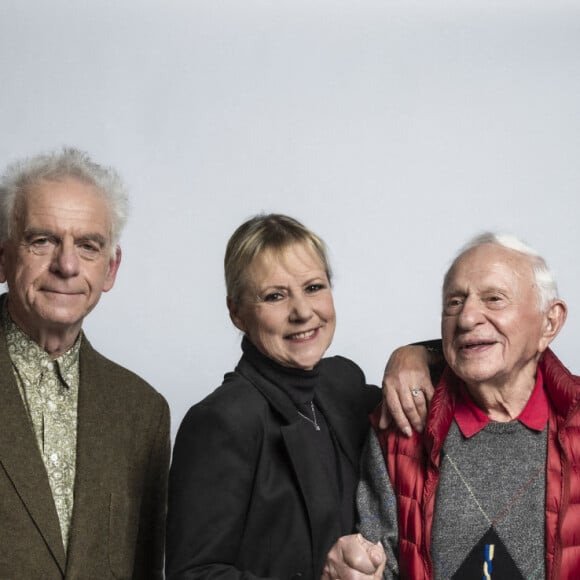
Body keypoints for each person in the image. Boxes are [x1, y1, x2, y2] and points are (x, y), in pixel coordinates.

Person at [324, 232, 580, 579]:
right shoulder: (401, 426)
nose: (467, 317)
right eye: (454, 302)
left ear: (550, 322)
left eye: (494, 299)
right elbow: (378, 563)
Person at [165, 214, 381, 580]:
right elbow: (193, 574)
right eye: (275, 296)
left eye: (314, 287)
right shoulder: (222, 420)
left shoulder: (344, 384)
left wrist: (415, 355)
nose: (302, 312)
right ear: (236, 312)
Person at [0, 148, 170, 579]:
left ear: (110, 269)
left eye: (88, 246)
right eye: (42, 240)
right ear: (3, 257)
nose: (67, 265)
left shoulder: (143, 411)